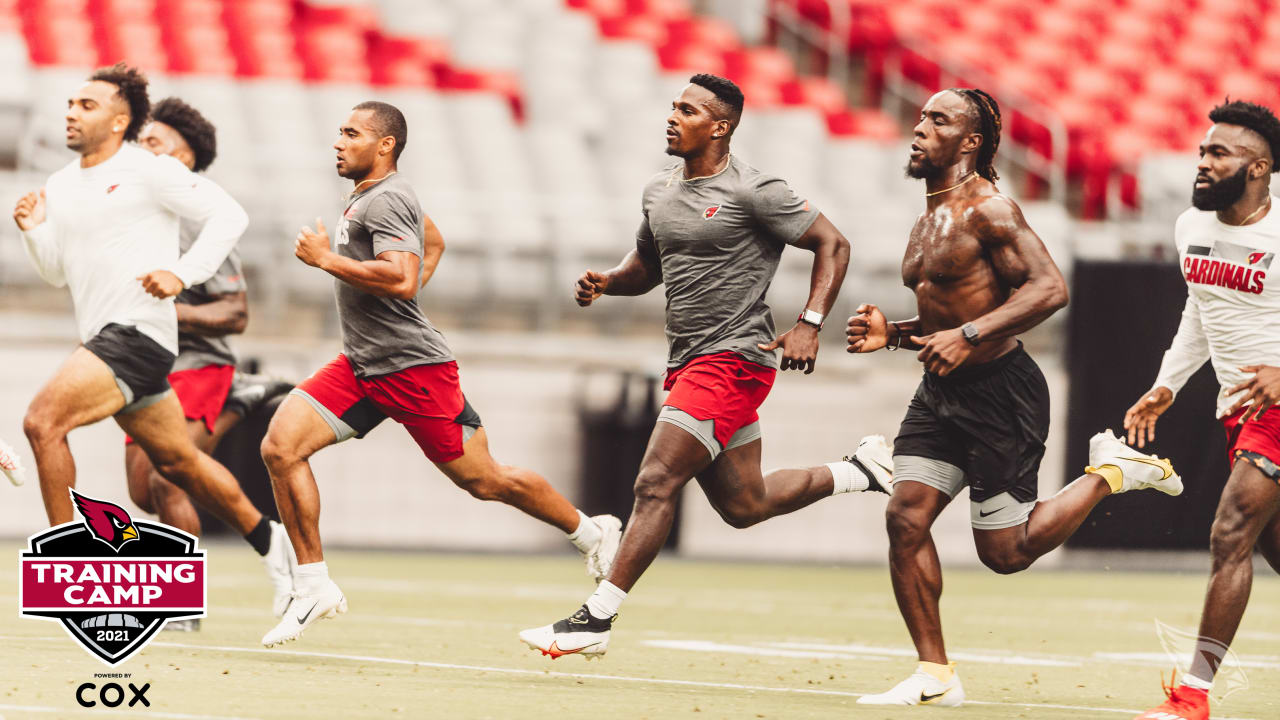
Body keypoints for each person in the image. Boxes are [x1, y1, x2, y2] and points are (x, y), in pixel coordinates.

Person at [519, 73, 891, 661]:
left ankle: (596, 618)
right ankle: (860, 470)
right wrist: (607, 283)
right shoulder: (658, 191)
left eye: (688, 110)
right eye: (672, 106)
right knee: (745, 506)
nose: (672, 116)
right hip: (690, 362)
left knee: (654, 481)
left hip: (735, 360)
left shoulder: (755, 189)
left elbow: (833, 244)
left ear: (720, 127)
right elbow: (647, 268)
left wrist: (811, 323)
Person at [845, 88, 1183, 707]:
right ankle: (936, 674)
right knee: (905, 517)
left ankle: (1113, 471)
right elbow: (953, 313)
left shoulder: (990, 210)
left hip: (1003, 394)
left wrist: (969, 335)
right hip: (940, 394)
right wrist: (893, 334)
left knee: (1005, 552)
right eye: (920, 116)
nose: (919, 128)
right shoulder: (928, 217)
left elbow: (1050, 289)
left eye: (938, 120)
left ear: (970, 142)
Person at [257, 101, 622, 648]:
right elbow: (434, 241)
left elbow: (403, 279)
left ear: (385, 146)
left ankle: (593, 532)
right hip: (362, 363)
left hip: (412, 368)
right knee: (280, 447)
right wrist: (397, 296)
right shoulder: (369, 197)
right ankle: (313, 586)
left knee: (485, 481)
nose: (338, 141)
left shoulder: (389, 197)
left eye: (351, 133)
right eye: (338, 131)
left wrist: (328, 261)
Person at [12, 63, 294, 616]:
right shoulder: (62, 184)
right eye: (70, 103)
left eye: (86, 106)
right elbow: (57, 273)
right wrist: (34, 232)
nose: (71, 112)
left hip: (139, 335)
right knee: (178, 467)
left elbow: (228, 216)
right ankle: (274, 545)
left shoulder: (147, 169)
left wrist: (182, 275)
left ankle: (69, 571)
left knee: (42, 422)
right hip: (106, 335)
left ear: (120, 122)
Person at [1125, 100, 1280, 720]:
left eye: (1220, 154)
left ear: (1260, 168)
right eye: (1202, 152)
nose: (1204, 162)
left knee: (1230, 529)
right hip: (1237, 407)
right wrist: (1167, 384)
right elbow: (1200, 310)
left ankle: (1192, 697)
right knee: (1271, 546)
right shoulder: (1192, 225)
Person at [127, 97, 296, 629]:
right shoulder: (135, 214)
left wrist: (166, 309)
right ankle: (242, 396)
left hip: (196, 362)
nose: (142, 153)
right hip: (144, 365)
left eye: (155, 144)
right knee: (142, 492)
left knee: (166, 480)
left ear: (185, 159)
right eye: (142, 143)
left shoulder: (201, 220)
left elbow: (236, 311)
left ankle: (178, 605)